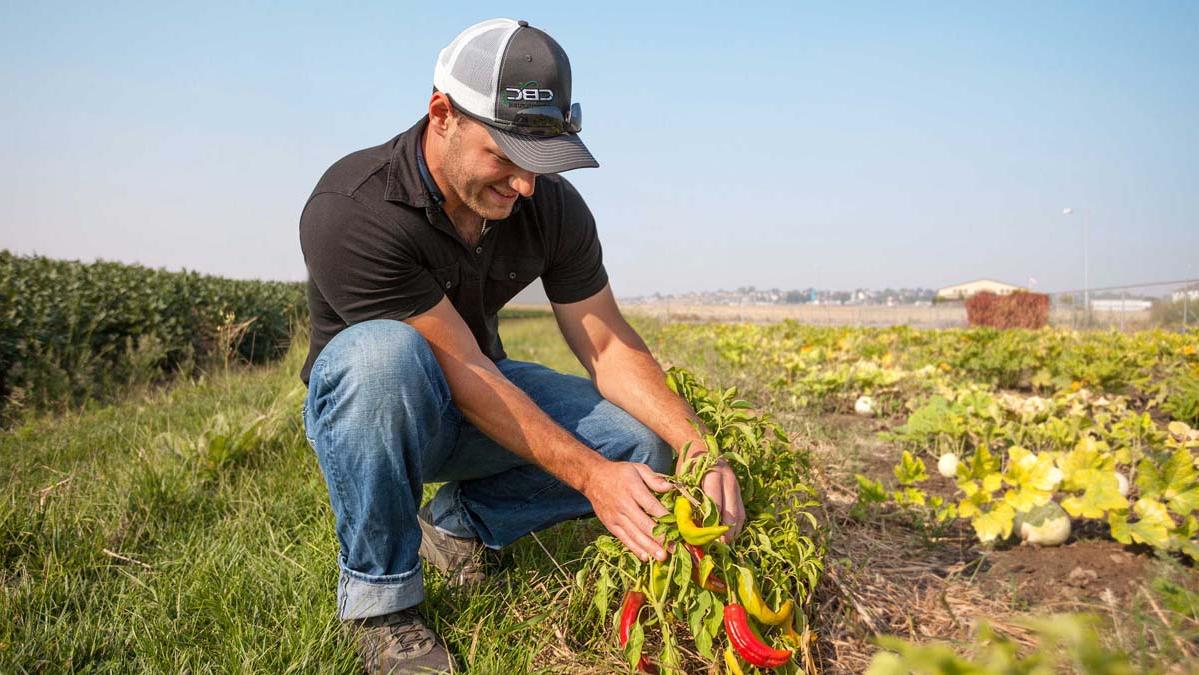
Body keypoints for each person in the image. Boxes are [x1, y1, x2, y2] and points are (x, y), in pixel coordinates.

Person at [298, 18, 744, 674]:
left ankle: (455, 527)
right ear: (442, 114)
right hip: (379, 413)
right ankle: (382, 605)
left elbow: (610, 345)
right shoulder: (354, 206)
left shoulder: (550, 208)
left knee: (640, 441)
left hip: (478, 392)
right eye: (504, 156)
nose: (526, 184)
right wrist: (592, 478)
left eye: (541, 160)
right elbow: (462, 367)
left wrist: (699, 446)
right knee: (381, 356)